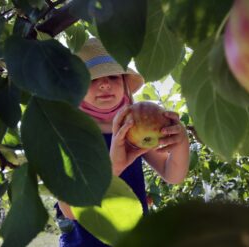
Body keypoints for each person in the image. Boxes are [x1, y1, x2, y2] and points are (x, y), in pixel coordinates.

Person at [55, 38, 190, 247]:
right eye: (92, 79)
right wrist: (112, 169)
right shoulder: (67, 134)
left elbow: (172, 174)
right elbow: (70, 211)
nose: (105, 83)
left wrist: (181, 144)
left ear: (125, 85)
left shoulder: (132, 127)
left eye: (113, 76)